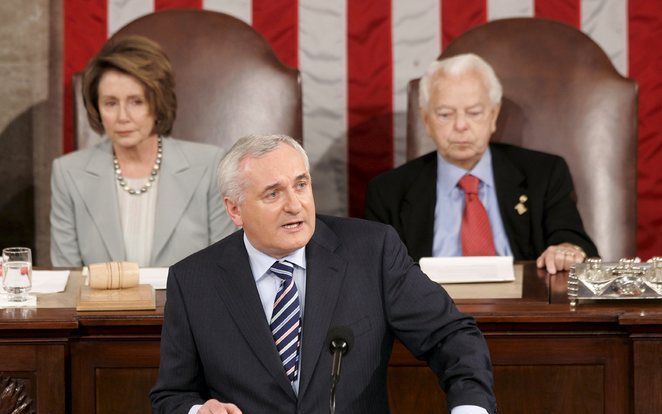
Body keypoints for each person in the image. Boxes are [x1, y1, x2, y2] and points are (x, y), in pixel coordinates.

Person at [150, 135, 496, 414]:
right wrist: (197, 411)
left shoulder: (371, 251)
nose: (294, 204)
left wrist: (469, 408)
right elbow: (172, 395)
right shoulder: (194, 281)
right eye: (273, 193)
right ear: (235, 209)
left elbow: (450, 336)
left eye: (301, 185)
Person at [365, 53, 598, 274]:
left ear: (493, 116)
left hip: (523, 310)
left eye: (474, 112)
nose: (460, 126)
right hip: (429, 312)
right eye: (445, 114)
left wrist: (567, 250)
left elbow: (571, 238)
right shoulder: (389, 192)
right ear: (426, 120)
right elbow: (375, 273)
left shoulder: (544, 175)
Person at [50, 35, 234, 267]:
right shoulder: (68, 173)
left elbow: (224, 268)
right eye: (110, 103)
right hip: (99, 305)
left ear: (158, 104)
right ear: (97, 109)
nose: (123, 117)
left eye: (136, 101)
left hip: (189, 304)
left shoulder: (209, 165)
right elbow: (67, 277)